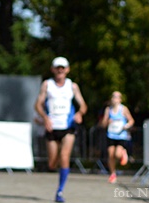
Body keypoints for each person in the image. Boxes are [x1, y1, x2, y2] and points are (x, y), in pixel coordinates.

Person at [35, 56, 87, 203]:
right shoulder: (47, 85)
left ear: (67, 70)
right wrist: (45, 118)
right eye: (57, 68)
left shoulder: (72, 86)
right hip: (52, 127)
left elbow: (83, 105)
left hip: (68, 127)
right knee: (52, 163)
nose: (60, 70)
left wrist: (79, 113)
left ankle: (60, 191)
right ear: (52, 69)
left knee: (64, 156)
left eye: (62, 68)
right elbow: (37, 105)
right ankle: (58, 163)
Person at [98, 91, 134, 183]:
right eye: (113, 97)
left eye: (117, 97)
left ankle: (123, 153)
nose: (115, 99)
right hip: (111, 134)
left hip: (121, 135)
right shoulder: (108, 109)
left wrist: (126, 126)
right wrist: (107, 122)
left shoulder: (123, 109)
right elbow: (103, 124)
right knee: (111, 155)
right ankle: (112, 174)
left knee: (117, 154)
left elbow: (131, 120)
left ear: (120, 99)